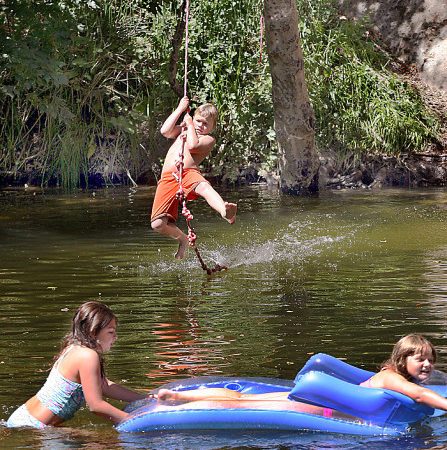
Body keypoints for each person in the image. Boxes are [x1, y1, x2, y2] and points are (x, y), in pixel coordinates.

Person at [155, 334, 447, 417]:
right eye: (419, 359)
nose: (426, 365)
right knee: (239, 404)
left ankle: (181, 396)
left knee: (242, 398)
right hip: (314, 407)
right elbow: (421, 395)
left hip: (318, 402)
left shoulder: (394, 376)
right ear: (401, 359)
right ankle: (181, 401)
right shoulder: (392, 378)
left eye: (430, 360)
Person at [6, 301, 148, 429]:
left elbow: (103, 386)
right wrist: (135, 420)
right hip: (32, 427)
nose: (115, 337)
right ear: (93, 332)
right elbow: (96, 406)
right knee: (103, 442)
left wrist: (143, 399)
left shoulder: (74, 348)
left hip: (24, 418)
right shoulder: (87, 356)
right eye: (111, 332)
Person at [151, 96, 237, 259]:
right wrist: (179, 109)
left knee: (204, 187)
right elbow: (165, 131)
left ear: (212, 127)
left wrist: (190, 124)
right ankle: (182, 239)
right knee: (158, 224)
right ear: (194, 118)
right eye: (198, 121)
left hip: (187, 173)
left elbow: (192, 145)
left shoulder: (208, 139)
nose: (201, 125)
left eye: (206, 124)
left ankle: (224, 211)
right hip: (168, 178)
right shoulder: (183, 129)